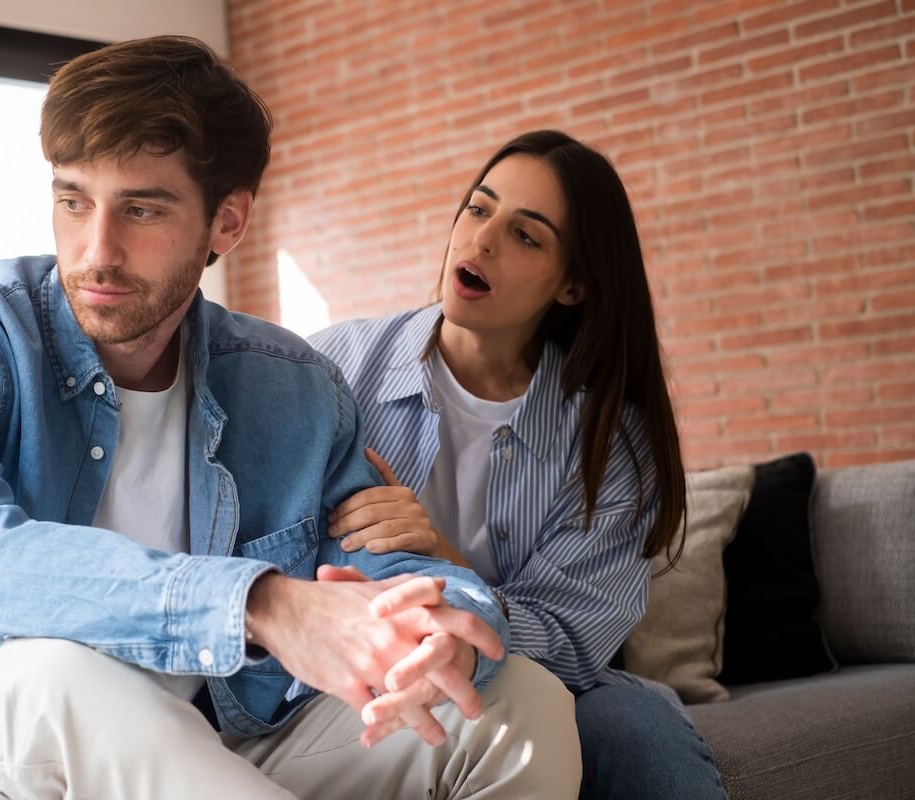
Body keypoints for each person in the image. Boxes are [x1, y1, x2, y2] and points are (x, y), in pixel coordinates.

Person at [0, 39, 583, 800]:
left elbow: (396, 576)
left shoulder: (292, 389)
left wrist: (444, 635)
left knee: (519, 704)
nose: (97, 251)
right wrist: (261, 603)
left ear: (226, 222)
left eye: (142, 209)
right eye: (72, 199)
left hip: (213, 754)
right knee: (56, 669)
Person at [310, 130, 728, 800]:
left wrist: (444, 562)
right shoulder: (333, 368)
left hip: (541, 677)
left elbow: (572, 641)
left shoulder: (608, 442)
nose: (480, 241)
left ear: (572, 286)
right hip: (354, 670)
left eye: (525, 235)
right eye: (478, 209)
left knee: (635, 728)